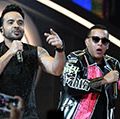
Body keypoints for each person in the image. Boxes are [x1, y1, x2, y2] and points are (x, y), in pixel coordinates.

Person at [0, 4, 65, 119]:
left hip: (28, 115)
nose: (16, 26)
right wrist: (10, 52)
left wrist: (59, 49)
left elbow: (56, 70)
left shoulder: (36, 51)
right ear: (1, 29)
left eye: (20, 23)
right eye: (10, 22)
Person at [58, 24, 120, 119]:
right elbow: (69, 85)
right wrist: (103, 80)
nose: (100, 43)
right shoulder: (75, 58)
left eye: (104, 41)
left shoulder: (113, 64)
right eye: (96, 39)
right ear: (87, 42)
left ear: (108, 45)